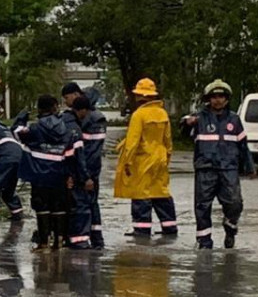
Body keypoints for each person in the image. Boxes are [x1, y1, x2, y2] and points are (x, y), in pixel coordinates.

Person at [182, 79, 255, 249]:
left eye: (221, 96)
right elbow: (184, 130)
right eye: (214, 96)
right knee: (202, 206)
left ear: (227, 99)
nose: (217, 100)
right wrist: (187, 123)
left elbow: (243, 146)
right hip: (205, 169)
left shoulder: (235, 120)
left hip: (228, 169)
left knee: (235, 203)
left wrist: (250, 167)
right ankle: (204, 241)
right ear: (208, 98)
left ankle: (230, 228)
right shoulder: (199, 118)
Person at [15, 94, 82, 251]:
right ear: (55, 108)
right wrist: (71, 174)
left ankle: (44, 242)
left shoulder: (34, 128)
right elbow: (71, 153)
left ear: (39, 109)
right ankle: (59, 241)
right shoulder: (66, 128)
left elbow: (16, 132)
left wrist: (22, 116)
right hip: (60, 174)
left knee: (42, 207)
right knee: (59, 206)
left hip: (39, 176)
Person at [114, 78, 177, 238]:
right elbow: (168, 141)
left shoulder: (139, 115)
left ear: (139, 96)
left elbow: (133, 142)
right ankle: (169, 227)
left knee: (141, 195)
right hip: (160, 159)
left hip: (141, 160)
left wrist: (127, 162)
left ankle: (141, 229)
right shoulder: (162, 113)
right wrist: (166, 159)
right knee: (161, 193)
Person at [70, 95, 108, 248]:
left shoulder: (88, 123)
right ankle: (97, 239)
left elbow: (86, 153)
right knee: (92, 204)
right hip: (94, 170)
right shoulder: (98, 121)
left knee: (82, 205)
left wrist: (84, 176)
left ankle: (82, 240)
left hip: (87, 171)